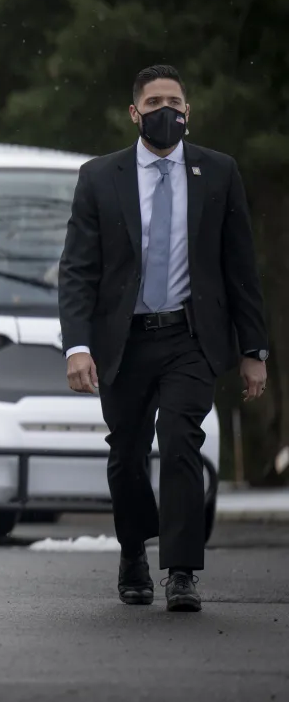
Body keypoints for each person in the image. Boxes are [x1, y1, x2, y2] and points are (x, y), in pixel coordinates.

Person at [58, 64, 269, 612]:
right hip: (123, 342)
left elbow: (239, 268)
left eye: (174, 101)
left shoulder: (218, 173)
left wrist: (254, 350)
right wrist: (77, 345)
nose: (165, 111)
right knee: (127, 453)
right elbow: (78, 270)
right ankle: (133, 551)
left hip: (190, 338)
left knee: (181, 444)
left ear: (188, 111)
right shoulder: (100, 177)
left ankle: (181, 571)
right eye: (153, 102)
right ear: (135, 113)